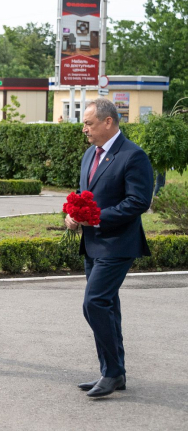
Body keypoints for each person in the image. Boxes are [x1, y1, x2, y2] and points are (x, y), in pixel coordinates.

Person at [64, 98, 153, 397]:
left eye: (88, 123)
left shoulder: (133, 155)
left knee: (94, 303)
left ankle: (112, 372)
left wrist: (95, 217)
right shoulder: (90, 154)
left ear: (108, 122)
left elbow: (138, 202)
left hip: (118, 244)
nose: (84, 129)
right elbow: (85, 195)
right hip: (93, 244)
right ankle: (113, 372)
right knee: (107, 307)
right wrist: (73, 214)